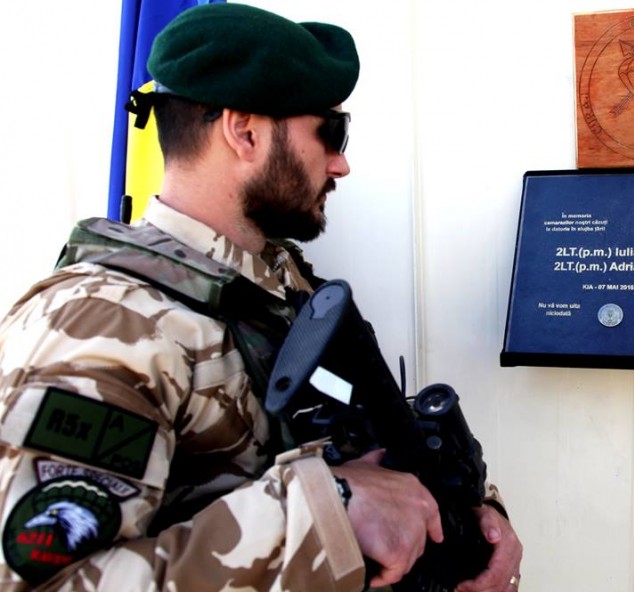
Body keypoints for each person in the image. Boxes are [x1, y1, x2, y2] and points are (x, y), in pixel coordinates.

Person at [0, 4, 522, 591]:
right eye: (331, 133)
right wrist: (329, 511)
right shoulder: (100, 327)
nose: (341, 163)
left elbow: (364, 435)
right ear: (244, 131)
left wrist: (473, 519)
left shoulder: (279, 279)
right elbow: (44, 582)